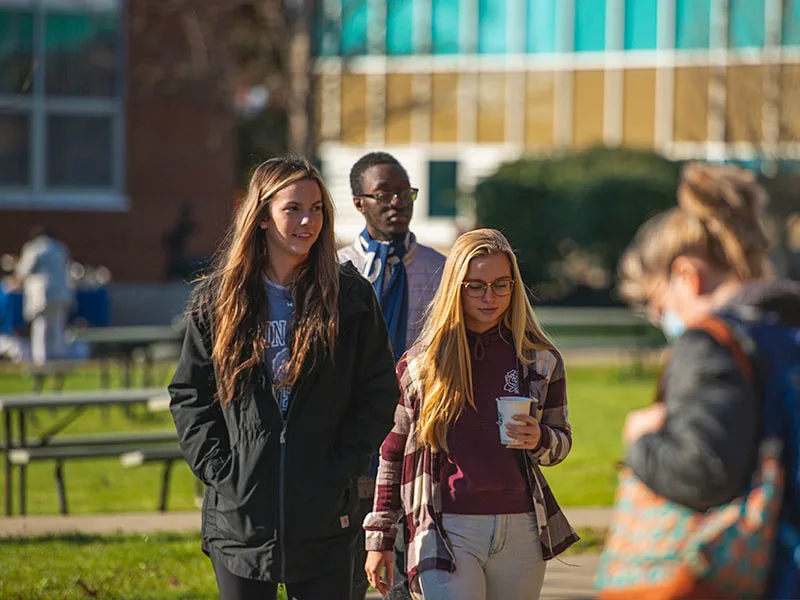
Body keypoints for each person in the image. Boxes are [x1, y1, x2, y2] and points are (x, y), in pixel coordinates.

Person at [168, 156, 400, 600]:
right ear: (260, 216)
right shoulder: (219, 299)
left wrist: (341, 465)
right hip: (240, 515)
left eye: (316, 209)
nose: (307, 220)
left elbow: (378, 391)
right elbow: (190, 394)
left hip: (324, 514)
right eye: (292, 208)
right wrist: (222, 469)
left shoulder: (350, 297)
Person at [364, 228, 578, 600]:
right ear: (455, 288)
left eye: (501, 285)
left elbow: (560, 444)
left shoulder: (540, 360)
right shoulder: (421, 366)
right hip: (446, 528)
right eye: (475, 286)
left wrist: (539, 438)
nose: (490, 297)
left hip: (521, 528)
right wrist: (380, 537)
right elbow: (392, 453)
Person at [616, 163, 800, 596]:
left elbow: (704, 472)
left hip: (765, 571)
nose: (663, 318)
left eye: (659, 305)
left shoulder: (712, 342)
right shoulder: (786, 325)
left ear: (686, 275)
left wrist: (642, 441)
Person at [338, 151, 446, 600]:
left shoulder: (440, 270)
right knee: (341, 579)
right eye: (383, 194)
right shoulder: (335, 270)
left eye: (405, 193)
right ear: (359, 202)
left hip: (417, 439)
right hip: (350, 439)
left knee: (408, 579)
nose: (397, 203)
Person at [12, 227, 73, 365]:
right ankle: (58, 357)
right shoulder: (60, 248)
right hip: (61, 293)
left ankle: (41, 361)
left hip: (42, 293)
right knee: (57, 327)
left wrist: (15, 273)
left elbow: (24, 270)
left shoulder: (34, 248)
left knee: (41, 327)